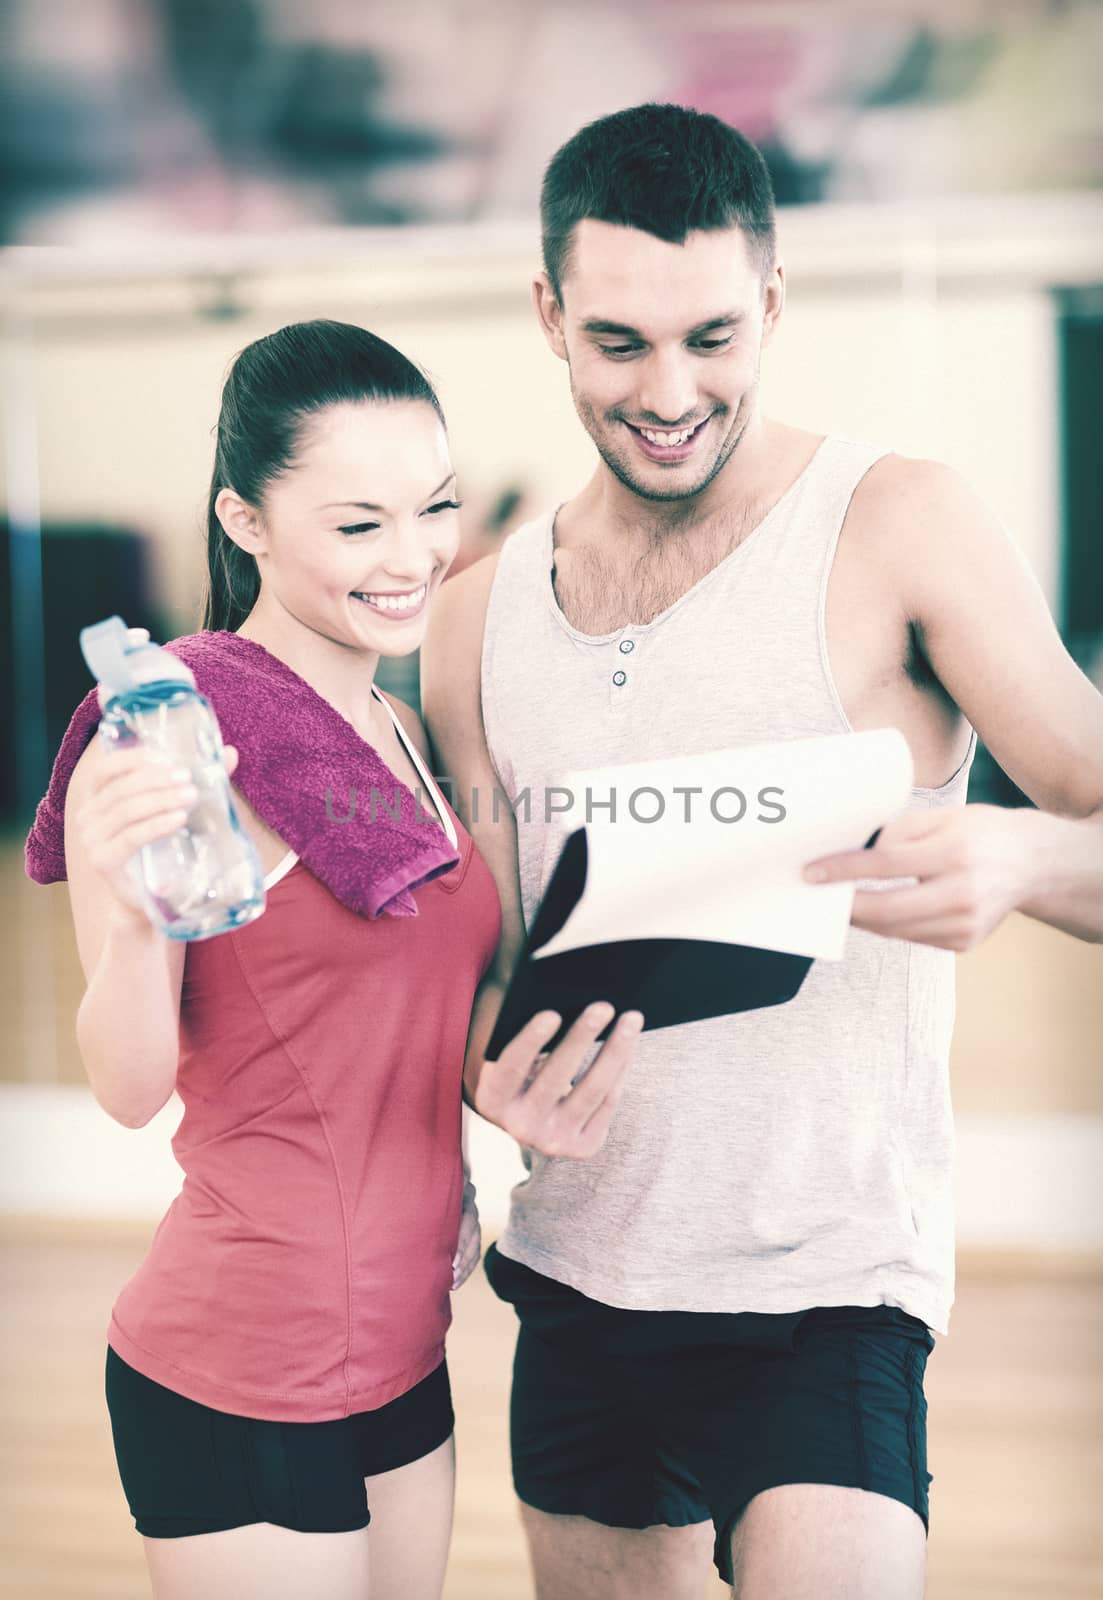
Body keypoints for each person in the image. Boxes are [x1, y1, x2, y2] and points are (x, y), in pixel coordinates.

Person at [421, 105, 1103, 1600]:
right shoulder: (470, 621)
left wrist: (1017, 862)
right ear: (545, 313)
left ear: (775, 301)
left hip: (827, 1293)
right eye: (616, 344)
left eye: (712, 337)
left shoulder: (898, 523)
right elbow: (487, 962)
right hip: (581, 1278)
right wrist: (487, 1062)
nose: (669, 393)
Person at [29, 319, 640, 1600]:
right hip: (241, 1354)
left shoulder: (400, 727)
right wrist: (136, 921)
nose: (413, 555)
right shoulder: (173, 741)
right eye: (357, 523)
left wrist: (507, 1078)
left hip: (405, 1343)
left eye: (434, 509)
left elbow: (414, 1009)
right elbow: (131, 1085)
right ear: (243, 521)